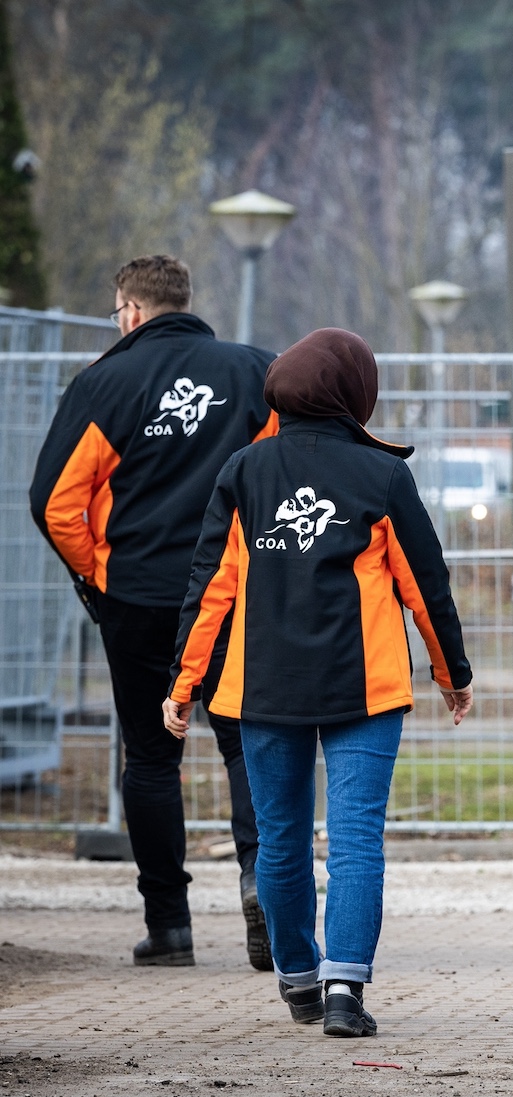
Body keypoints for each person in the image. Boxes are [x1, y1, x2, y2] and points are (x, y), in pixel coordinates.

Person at [163, 328, 473, 1038]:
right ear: (355, 394)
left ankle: (298, 979)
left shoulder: (244, 470)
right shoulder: (383, 475)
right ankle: (344, 991)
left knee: (280, 840)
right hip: (364, 687)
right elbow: (426, 587)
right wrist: (451, 672)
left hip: (262, 686)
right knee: (357, 837)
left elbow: (211, 588)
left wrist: (184, 684)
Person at [29, 255, 277, 970]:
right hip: (232, 593)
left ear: (131, 312)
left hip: (137, 595)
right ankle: (264, 886)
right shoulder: (255, 372)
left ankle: (169, 925)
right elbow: (281, 475)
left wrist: (100, 576)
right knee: (247, 744)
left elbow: (55, 503)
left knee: (150, 757)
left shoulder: (105, 382)